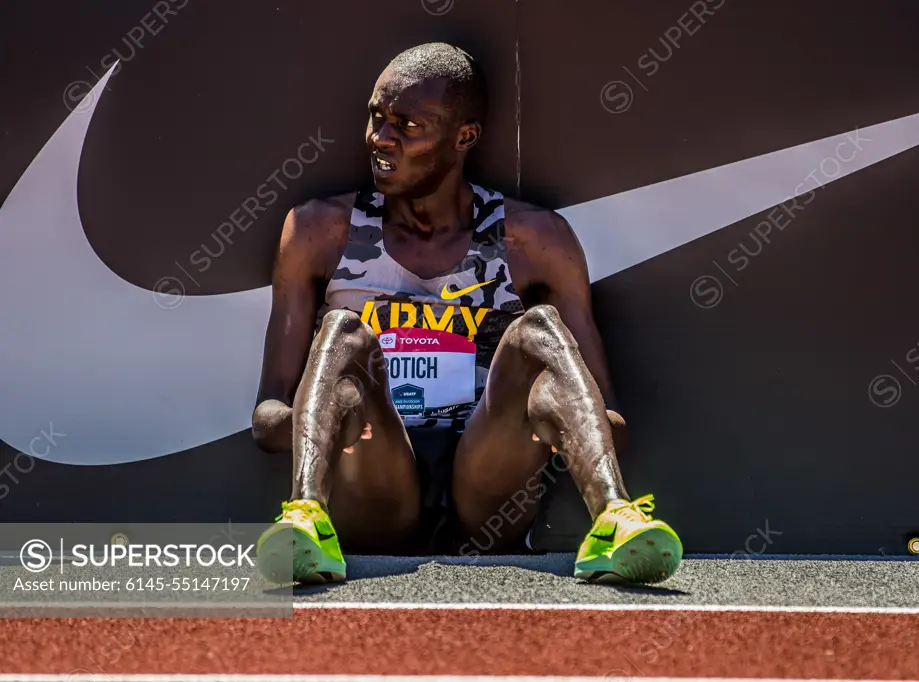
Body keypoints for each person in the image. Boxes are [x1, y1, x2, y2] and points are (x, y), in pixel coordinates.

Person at [251, 42, 682, 585]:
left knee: (540, 329)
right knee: (342, 330)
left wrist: (552, 419)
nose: (382, 139)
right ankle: (305, 520)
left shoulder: (534, 239)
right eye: (377, 117)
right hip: (376, 477)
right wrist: (326, 419)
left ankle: (615, 521)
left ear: (464, 137)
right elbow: (268, 416)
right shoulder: (320, 231)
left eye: (408, 126)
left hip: (487, 479)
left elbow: (611, 422)